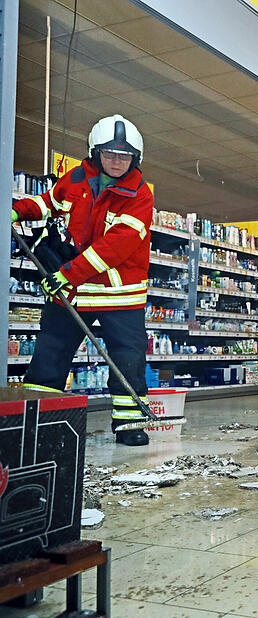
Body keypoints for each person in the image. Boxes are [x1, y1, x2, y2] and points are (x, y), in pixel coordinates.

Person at [12, 114, 154, 446]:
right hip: (71, 289)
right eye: (110, 154)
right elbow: (49, 204)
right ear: (94, 152)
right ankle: (38, 417)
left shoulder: (140, 195)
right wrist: (18, 210)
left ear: (136, 158)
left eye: (125, 156)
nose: (117, 162)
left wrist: (67, 273)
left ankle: (130, 424)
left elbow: (115, 247)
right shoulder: (75, 179)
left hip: (117, 294)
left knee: (127, 357)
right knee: (51, 352)